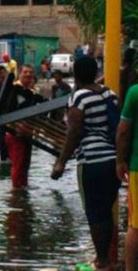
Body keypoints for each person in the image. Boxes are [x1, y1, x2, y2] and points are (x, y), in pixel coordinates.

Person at [52, 57, 121, 271]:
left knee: (93, 211)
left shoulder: (80, 98)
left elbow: (74, 132)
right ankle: (106, 259)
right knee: (106, 210)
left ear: (77, 74)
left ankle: (101, 261)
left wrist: (60, 162)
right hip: (112, 160)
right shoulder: (109, 94)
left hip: (91, 161)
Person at [5, 64, 44, 188]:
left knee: (25, 166)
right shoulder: (13, 89)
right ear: (20, 74)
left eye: (30, 72)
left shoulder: (31, 93)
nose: (28, 74)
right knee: (18, 164)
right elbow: (8, 110)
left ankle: (21, 191)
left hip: (27, 133)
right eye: (25, 72)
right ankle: (16, 194)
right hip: (15, 133)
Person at [117, 83, 138, 271]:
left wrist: (120, 160)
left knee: (136, 225)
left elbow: (123, 131)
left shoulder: (134, 92)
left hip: (137, 167)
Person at [0, 65, 9, 161]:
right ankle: (3, 150)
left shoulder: (7, 82)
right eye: (1, 73)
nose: (2, 74)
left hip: (7, 108)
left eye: (3, 72)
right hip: (1, 108)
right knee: (2, 130)